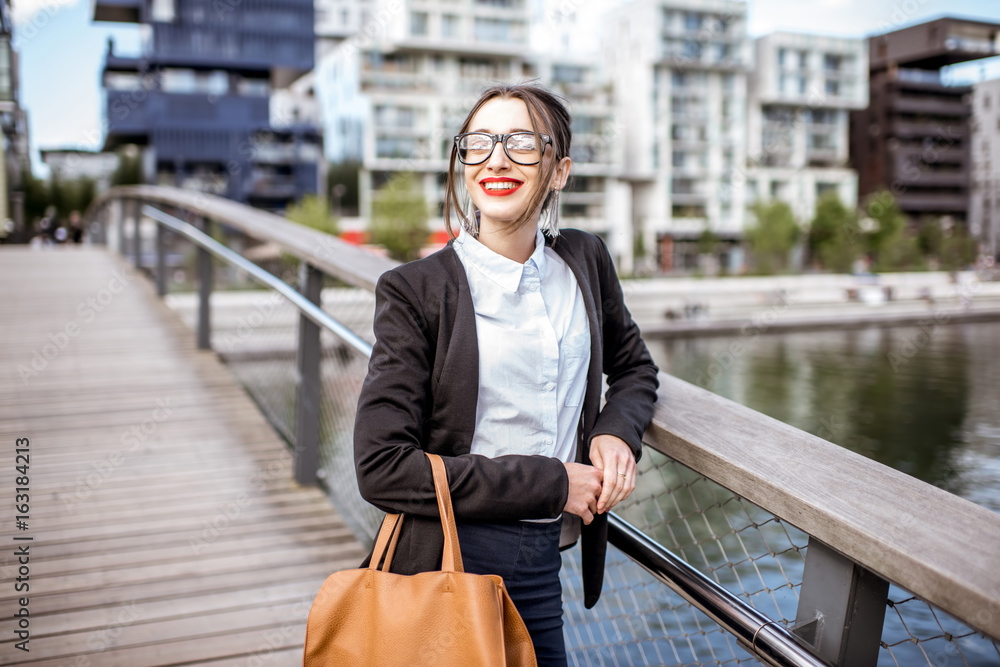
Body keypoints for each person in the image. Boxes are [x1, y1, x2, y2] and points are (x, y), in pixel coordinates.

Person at [353, 83, 659, 665]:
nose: (496, 158)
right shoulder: (416, 291)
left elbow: (635, 367)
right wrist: (554, 482)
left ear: (559, 170)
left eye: (520, 142)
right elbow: (381, 467)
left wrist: (616, 431)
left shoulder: (585, 261)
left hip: (544, 560)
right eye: (479, 143)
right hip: (445, 559)